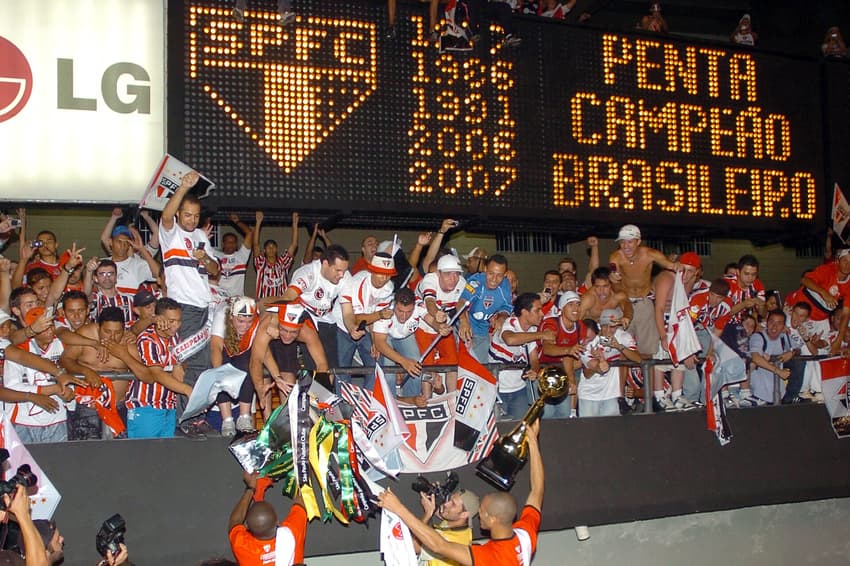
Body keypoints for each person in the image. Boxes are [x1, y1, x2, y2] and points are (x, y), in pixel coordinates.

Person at [377, 418, 543, 566]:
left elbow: (439, 546)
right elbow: (537, 490)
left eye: (482, 512)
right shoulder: (524, 537)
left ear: (493, 519)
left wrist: (398, 508)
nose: (478, 514)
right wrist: (533, 443)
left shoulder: (491, 558)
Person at [158, 171, 220, 438]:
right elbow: (165, 216)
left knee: (204, 366)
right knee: (192, 365)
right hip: (184, 306)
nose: (192, 220)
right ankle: (186, 421)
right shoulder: (169, 234)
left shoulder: (202, 238)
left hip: (204, 307)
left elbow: (215, 269)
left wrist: (204, 258)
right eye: (187, 215)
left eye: (196, 216)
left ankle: (195, 417)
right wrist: (182, 188)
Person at [123, 298, 194, 439]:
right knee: (143, 456)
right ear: (159, 319)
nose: (176, 325)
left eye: (179, 321)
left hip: (168, 406)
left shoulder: (174, 338)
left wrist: (179, 364)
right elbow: (156, 374)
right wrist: (186, 389)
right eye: (171, 321)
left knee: (163, 458)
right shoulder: (147, 339)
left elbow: (178, 372)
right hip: (146, 407)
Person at [608, 224, 678, 358]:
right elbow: (615, 283)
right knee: (620, 349)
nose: (626, 246)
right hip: (624, 303)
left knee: (647, 351)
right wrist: (613, 279)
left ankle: (648, 379)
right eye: (622, 242)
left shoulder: (650, 254)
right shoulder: (615, 257)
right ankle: (623, 379)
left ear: (638, 242)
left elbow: (671, 265)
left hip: (644, 302)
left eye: (630, 242)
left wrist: (677, 265)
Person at [279, 244, 350, 371]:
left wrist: (353, 326)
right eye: (338, 270)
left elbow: (348, 309)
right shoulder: (307, 273)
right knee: (313, 365)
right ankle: (311, 388)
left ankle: (326, 390)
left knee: (332, 367)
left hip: (327, 318)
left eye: (344, 271)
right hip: (305, 316)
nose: (341, 275)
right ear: (325, 264)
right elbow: (288, 297)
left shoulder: (345, 276)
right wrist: (274, 320)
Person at [373, 288, 450, 400]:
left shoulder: (419, 304)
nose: (404, 316)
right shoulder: (385, 308)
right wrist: (404, 362)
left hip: (405, 336)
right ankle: (390, 405)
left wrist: (440, 328)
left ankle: (411, 401)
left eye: (409, 312)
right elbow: (379, 343)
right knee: (389, 374)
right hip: (385, 336)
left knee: (416, 368)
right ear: (394, 305)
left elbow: (430, 320)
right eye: (400, 311)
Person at [333, 253, 395, 391]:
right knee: (342, 370)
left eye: (387, 274)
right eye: (380, 273)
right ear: (372, 271)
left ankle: (369, 404)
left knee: (375, 364)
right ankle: (343, 407)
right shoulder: (357, 283)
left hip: (365, 326)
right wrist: (379, 314)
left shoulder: (388, 288)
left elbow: (374, 317)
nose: (383, 278)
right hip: (342, 325)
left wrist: (374, 341)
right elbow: (356, 317)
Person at [488, 293, 552, 421]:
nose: (542, 314)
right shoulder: (509, 323)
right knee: (499, 429)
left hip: (519, 389)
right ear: (524, 312)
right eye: (537, 310)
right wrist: (541, 335)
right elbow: (510, 339)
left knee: (520, 428)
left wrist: (534, 369)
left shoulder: (532, 330)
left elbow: (534, 359)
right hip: (498, 390)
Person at [228, 472, 307, 566]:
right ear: (277, 522)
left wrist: (251, 488)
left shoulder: (241, 545)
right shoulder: (291, 534)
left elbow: (235, 520)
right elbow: (301, 500)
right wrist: (302, 468)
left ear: (247, 527)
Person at [578, 308, 641, 417]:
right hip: (589, 393)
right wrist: (599, 361)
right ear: (600, 325)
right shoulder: (591, 339)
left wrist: (619, 346)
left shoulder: (623, 337)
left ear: (617, 326)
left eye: (612, 327)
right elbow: (587, 374)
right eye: (604, 326)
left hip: (611, 394)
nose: (608, 330)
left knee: (611, 431)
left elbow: (638, 359)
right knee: (588, 431)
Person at [457, 254, 513, 363]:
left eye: (499, 275)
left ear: (505, 275)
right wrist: (464, 321)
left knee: (484, 367)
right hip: (465, 329)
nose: (494, 279)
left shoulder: (505, 285)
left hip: (484, 333)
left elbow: (506, 307)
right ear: (485, 269)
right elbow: (461, 302)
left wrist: (501, 318)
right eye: (491, 273)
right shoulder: (475, 282)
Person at [414, 488, 479, 566]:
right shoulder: (462, 526)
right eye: (450, 499)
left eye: (453, 504)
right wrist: (433, 493)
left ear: (464, 514)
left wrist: (428, 513)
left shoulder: (453, 540)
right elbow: (438, 511)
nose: (446, 504)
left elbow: (413, 546)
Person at [253, 211, 299, 299]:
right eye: (268, 247)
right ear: (264, 250)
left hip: (280, 303)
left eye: (273, 247)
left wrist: (295, 223)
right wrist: (258, 222)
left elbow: (294, 245)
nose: (271, 249)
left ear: (277, 249)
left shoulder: (282, 262)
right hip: (264, 303)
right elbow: (255, 244)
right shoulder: (261, 263)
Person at [218, 214, 255, 297]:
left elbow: (249, 233)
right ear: (223, 243)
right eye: (229, 242)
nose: (231, 244)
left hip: (237, 299)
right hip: (219, 299)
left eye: (234, 242)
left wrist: (237, 222)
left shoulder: (241, 256)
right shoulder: (216, 255)